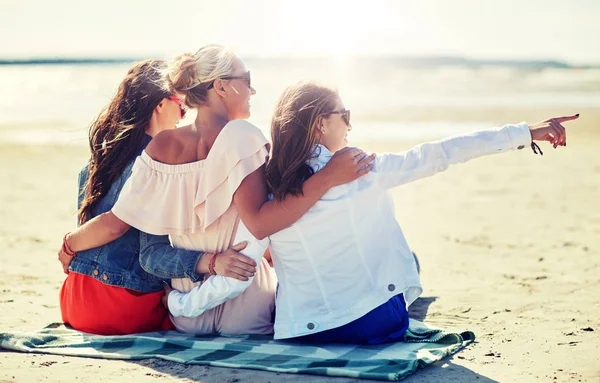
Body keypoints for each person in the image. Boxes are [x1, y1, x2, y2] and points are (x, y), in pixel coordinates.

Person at [166, 82, 575, 344]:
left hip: (301, 333)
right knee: (406, 261)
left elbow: (245, 261)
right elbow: (442, 153)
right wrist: (525, 133)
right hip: (372, 326)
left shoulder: (268, 186)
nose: (350, 125)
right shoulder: (362, 170)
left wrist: (181, 307)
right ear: (319, 125)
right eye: (344, 116)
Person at [59, 46, 374, 335]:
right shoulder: (244, 136)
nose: (252, 89)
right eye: (246, 80)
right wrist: (329, 175)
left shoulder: (161, 146)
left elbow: (150, 255)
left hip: (187, 317)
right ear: (221, 86)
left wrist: (207, 262)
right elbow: (267, 225)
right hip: (247, 306)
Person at [59, 59, 264, 335]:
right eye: (180, 106)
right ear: (159, 106)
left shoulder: (97, 163)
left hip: (74, 301)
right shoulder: (154, 168)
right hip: (123, 308)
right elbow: (131, 237)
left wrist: (70, 245)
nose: (183, 117)